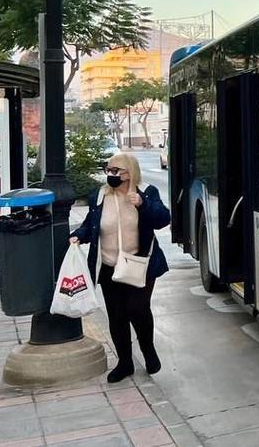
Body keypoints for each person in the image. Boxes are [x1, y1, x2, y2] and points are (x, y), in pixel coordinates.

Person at [69, 152, 170, 383]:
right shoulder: (100, 196)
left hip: (139, 264)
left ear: (130, 173)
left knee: (138, 308)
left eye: (117, 171)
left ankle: (148, 350)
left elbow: (163, 219)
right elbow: (90, 226)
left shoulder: (146, 192)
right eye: (108, 170)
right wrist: (78, 236)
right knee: (117, 316)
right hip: (108, 266)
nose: (111, 175)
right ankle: (125, 363)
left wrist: (143, 205)